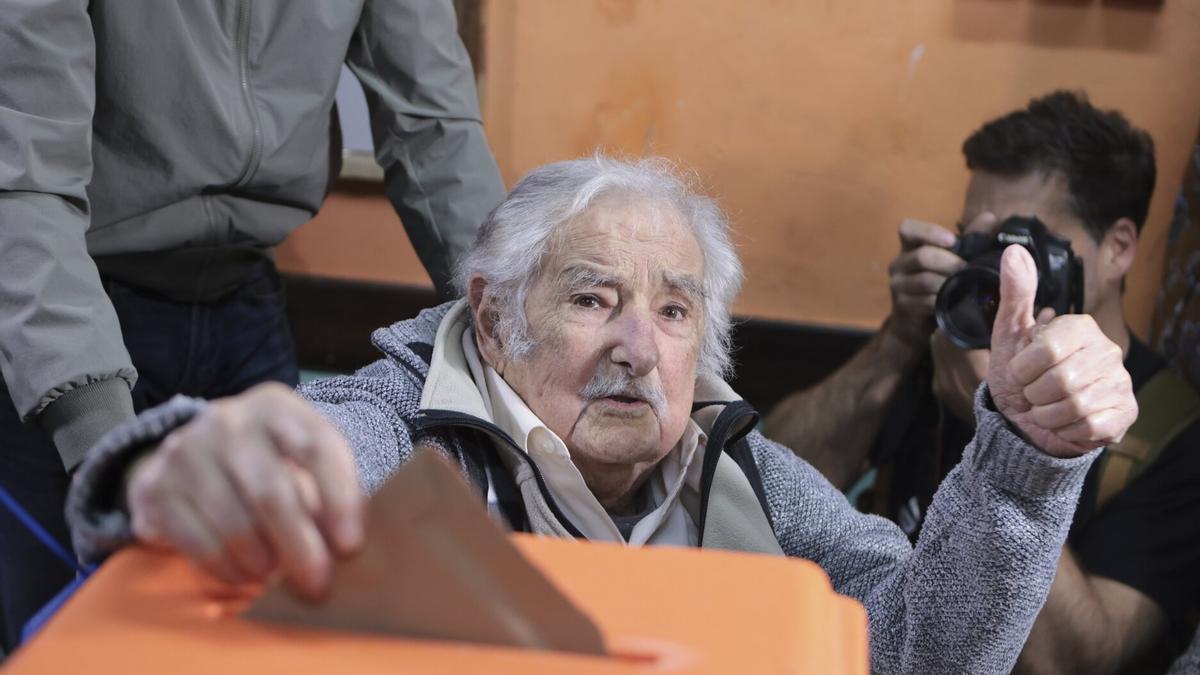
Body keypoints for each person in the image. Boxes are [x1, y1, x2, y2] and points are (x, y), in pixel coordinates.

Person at [66, 156, 1136, 672]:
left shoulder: (750, 474)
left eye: (673, 311)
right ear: (494, 318)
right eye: (592, 299)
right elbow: (315, 455)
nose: (639, 347)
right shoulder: (403, 423)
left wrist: (1023, 461)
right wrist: (213, 461)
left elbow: (921, 653)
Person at [0, 1, 506, 650]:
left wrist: (512, 325)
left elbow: (434, 123)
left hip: (248, 304)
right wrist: (106, 444)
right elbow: (24, 177)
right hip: (71, 314)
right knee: (73, 636)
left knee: (277, 625)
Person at [764, 91, 1200, 672]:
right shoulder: (944, 343)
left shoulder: (1170, 431)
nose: (995, 269)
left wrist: (1001, 433)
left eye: (1021, 242)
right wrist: (896, 342)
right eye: (977, 240)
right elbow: (759, 496)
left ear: (1117, 248)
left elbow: (1077, 661)